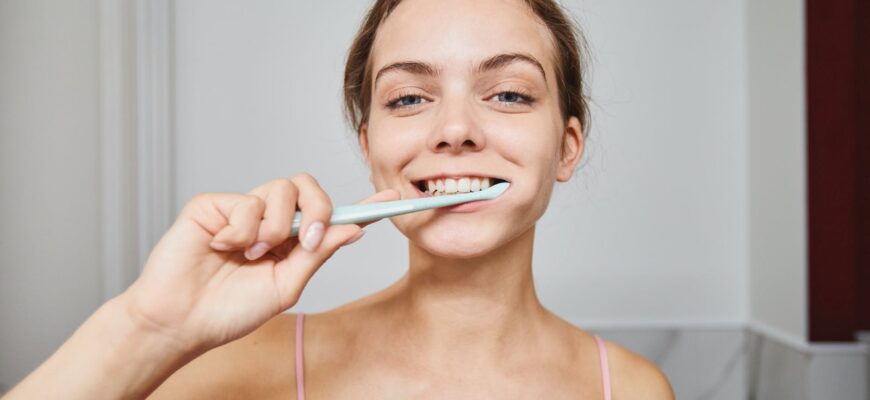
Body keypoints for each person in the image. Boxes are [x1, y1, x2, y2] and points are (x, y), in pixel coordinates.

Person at [5, 0, 675, 398]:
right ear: (370, 144)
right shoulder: (251, 367)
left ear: (566, 145)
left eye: (508, 93)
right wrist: (149, 327)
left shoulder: (633, 390)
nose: (455, 130)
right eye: (409, 98)